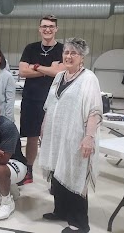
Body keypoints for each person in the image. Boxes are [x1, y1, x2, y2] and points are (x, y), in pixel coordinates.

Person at [39, 38, 102, 233]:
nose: (68, 56)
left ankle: (79, 223)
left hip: (77, 137)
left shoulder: (88, 78)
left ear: (82, 57)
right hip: (57, 136)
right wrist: (43, 127)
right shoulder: (59, 77)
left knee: (75, 174)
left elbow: (94, 110)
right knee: (58, 172)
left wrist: (89, 137)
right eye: (66, 52)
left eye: (73, 53)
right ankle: (61, 211)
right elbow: (50, 104)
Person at [18, 14, 64, 185]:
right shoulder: (30, 48)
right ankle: (28, 171)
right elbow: (23, 71)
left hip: (54, 100)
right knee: (32, 137)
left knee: (52, 137)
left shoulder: (62, 49)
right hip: (31, 99)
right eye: (44, 26)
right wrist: (48, 69)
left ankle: (55, 176)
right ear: (39, 29)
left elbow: (61, 72)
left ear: (56, 29)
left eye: (51, 26)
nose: (47, 29)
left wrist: (35, 67)